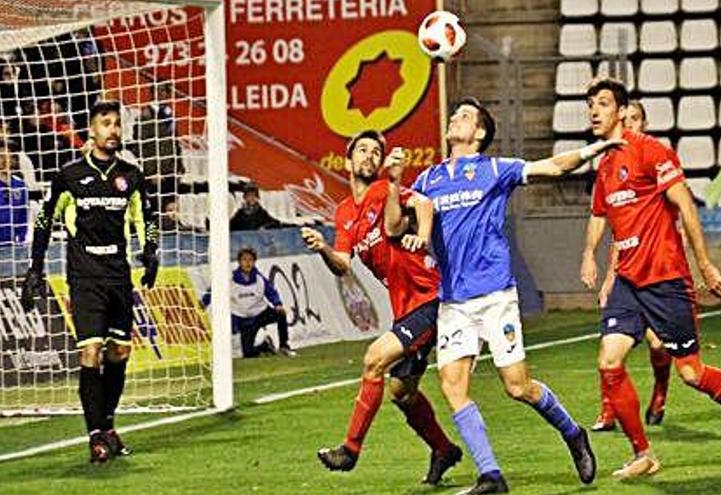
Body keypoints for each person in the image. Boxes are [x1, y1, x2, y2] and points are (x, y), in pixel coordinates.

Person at [410, 97, 620, 494]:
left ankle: (573, 433)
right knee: (452, 386)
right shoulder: (429, 179)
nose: (456, 118)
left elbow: (553, 166)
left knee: (517, 387)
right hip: (453, 301)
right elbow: (397, 217)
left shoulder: (494, 169)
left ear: (481, 133)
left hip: (494, 296)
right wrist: (393, 185)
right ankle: (491, 475)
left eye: (465, 116)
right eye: (455, 114)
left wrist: (593, 149)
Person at [579, 77, 721, 479]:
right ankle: (643, 453)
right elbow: (600, 214)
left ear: (620, 110)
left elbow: (684, 203)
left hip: (666, 279)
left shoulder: (651, 150)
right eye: (590, 104)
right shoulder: (606, 164)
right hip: (629, 281)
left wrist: (705, 264)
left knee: (691, 373)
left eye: (601, 103)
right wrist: (589, 256)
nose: (593, 111)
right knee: (609, 361)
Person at [301, 130, 463, 486]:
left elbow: (422, 202)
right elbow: (342, 265)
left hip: (429, 297)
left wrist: (421, 232)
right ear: (348, 161)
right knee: (402, 393)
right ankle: (443, 450)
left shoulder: (381, 191)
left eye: (376, 151)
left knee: (374, 359)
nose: (370, 155)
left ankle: (350, 449)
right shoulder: (344, 212)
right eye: (362, 150)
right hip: (405, 307)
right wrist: (323, 248)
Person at [20, 100, 160, 464]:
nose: (113, 130)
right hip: (84, 276)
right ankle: (95, 435)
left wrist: (151, 253)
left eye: (117, 124)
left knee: (120, 352)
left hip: (118, 274)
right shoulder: (69, 175)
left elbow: (147, 217)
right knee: (91, 351)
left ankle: (109, 425)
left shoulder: (131, 175)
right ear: (92, 130)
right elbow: (44, 220)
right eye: (105, 123)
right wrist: (35, 267)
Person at [592, 99, 674, 432]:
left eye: (635, 119)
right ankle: (608, 411)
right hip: (627, 273)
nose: (630, 124)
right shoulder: (609, 167)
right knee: (609, 350)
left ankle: (660, 391)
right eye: (625, 119)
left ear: (644, 124)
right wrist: (608, 276)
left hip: (658, 271)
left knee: (659, 345)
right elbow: (617, 230)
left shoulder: (654, 160)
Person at [230, 247, 295, 358]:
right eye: (244, 260)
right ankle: (265, 346)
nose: (248, 263)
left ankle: (284, 346)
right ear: (239, 262)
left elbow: (270, 291)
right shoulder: (230, 278)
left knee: (281, 314)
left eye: (251, 260)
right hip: (246, 320)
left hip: (261, 313)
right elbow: (213, 291)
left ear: (254, 262)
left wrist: (277, 304)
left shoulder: (259, 278)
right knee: (248, 353)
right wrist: (204, 302)